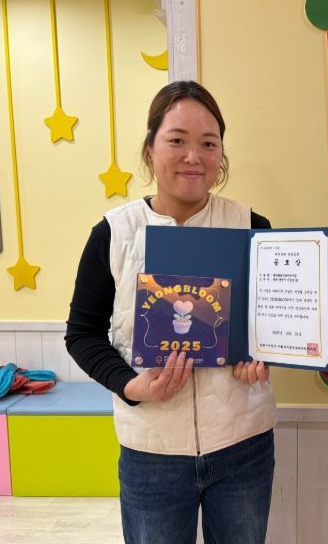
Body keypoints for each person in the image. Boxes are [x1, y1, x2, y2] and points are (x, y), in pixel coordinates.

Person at [65, 81, 277, 544]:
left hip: (243, 444)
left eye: (209, 143)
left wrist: (263, 354)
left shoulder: (251, 226)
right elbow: (81, 334)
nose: (193, 157)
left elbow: (274, 321)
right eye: (177, 140)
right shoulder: (114, 233)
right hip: (151, 451)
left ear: (221, 153)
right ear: (150, 148)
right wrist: (130, 385)